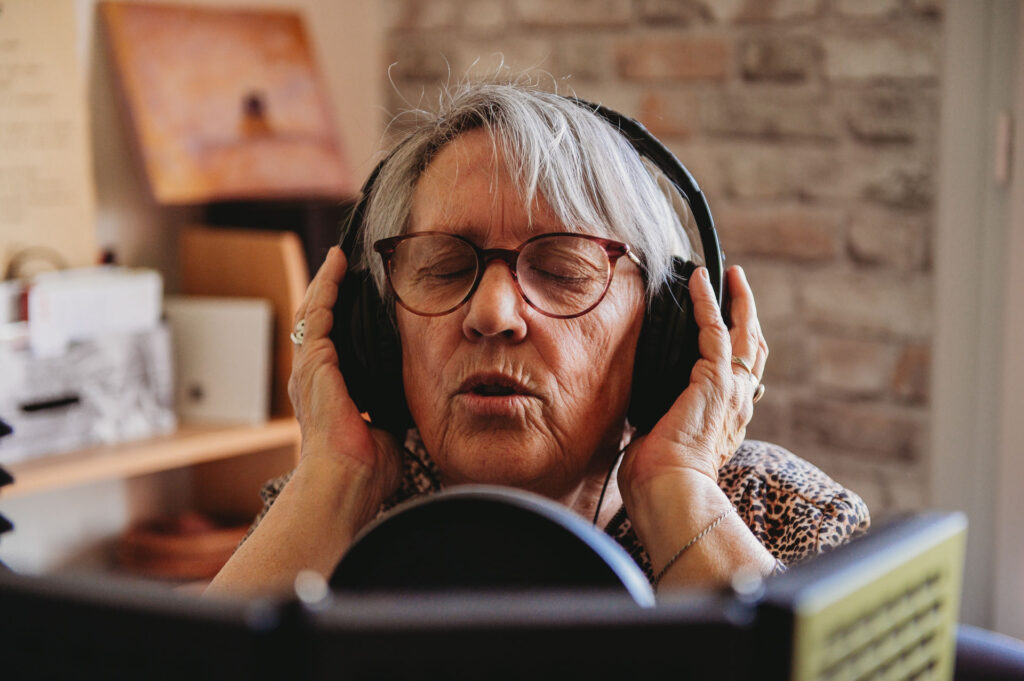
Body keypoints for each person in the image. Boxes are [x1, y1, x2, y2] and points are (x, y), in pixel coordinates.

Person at [205, 78, 869, 599]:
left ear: (664, 326)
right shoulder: (328, 510)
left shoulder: (787, 516)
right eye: (443, 267)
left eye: (561, 270)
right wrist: (335, 480)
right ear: (375, 332)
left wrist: (677, 493)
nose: (493, 313)